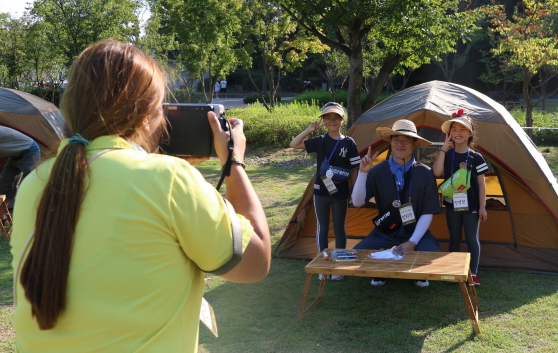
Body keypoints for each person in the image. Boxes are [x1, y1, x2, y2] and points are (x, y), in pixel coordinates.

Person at [10, 40, 271, 352]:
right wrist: (234, 163)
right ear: (148, 114)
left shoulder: (35, 183)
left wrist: (151, 166)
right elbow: (255, 263)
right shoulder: (168, 180)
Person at [352, 119, 441, 287]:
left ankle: (417, 273)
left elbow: (428, 211)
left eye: (406, 139)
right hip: (384, 232)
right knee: (358, 254)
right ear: (390, 142)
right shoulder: (377, 170)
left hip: (415, 233)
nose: (400, 144)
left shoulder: (424, 172)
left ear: (414, 143)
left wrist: (412, 242)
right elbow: (357, 202)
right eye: (396, 139)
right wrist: (363, 173)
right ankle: (381, 270)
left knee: (433, 255)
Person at [290, 102, 360, 280]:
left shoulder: (349, 143)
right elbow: (294, 144)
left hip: (341, 192)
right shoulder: (320, 141)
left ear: (342, 120)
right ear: (323, 121)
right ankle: (323, 266)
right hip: (321, 192)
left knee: (339, 228)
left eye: (336, 118)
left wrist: (355, 191)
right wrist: (309, 130)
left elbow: (354, 170)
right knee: (322, 228)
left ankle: (339, 267)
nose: (332, 121)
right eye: (328, 118)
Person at [433, 110, 488, 286]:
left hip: (471, 208)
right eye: (454, 129)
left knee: (472, 239)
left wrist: (482, 207)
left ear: (470, 133)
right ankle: (454, 270)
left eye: (462, 129)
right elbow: (437, 172)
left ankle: (473, 273)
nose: (458, 132)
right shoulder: (447, 154)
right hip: (451, 206)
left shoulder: (476, 157)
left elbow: (481, 184)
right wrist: (443, 148)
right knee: (454, 238)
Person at [0, 126, 41, 213]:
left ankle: (39, 212)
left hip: (29, 151)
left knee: (34, 183)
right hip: (14, 155)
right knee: (5, 185)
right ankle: (4, 217)